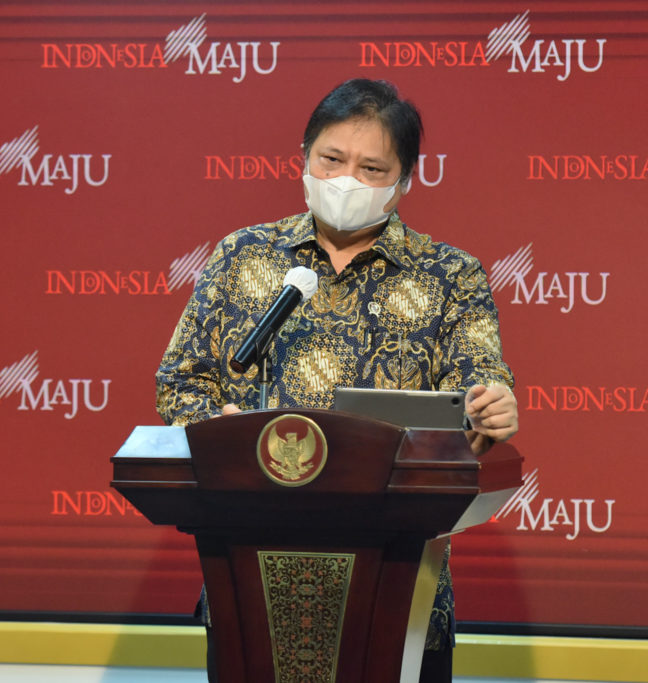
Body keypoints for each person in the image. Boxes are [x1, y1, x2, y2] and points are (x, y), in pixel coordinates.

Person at [156, 78, 518, 682]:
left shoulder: (450, 275)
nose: (347, 179)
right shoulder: (243, 256)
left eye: (372, 167)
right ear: (303, 157)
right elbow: (179, 382)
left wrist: (491, 412)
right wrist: (216, 428)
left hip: (398, 584)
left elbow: (479, 388)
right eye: (332, 159)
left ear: (404, 182)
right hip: (254, 579)